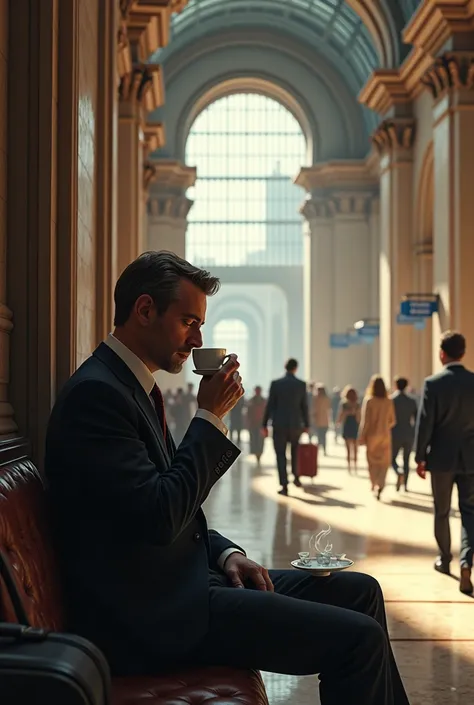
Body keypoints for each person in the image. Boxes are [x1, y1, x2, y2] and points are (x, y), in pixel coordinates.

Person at [45, 251, 409, 705]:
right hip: (155, 616)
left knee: (361, 591)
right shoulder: (98, 395)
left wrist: (226, 554)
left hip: (186, 584)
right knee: (359, 638)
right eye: (189, 322)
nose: (198, 338)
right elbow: (161, 514)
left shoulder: (129, 387)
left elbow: (167, 501)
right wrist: (210, 417)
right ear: (144, 311)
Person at [415, 331, 474, 595]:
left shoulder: (433, 383)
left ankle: (444, 559)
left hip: (440, 458)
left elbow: (425, 423)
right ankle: (466, 563)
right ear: (462, 353)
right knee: (470, 512)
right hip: (471, 458)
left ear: (442, 354)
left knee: (441, 511)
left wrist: (419, 457)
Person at [262, 359, 309, 496]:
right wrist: (306, 424)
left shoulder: (276, 384)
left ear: (285, 367)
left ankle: (284, 485)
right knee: (295, 451)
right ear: (296, 368)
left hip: (279, 425)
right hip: (295, 425)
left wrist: (264, 424)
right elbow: (304, 406)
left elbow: (270, 406)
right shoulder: (301, 385)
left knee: (280, 455)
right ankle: (296, 476)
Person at [359, 375, 396, 501]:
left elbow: (366, 421)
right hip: (385, 435)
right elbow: (393, 420)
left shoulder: (369, 400)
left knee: (372, 461)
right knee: (384, 462)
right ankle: (381, 483)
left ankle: (374, 483)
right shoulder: (389, 401)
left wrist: (362, 436)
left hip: (372, 435)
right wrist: (385, 426)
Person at [390, 377, 418, 492]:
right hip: (408, 432)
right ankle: (405, 485)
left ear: (396, 385)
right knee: (406, 460)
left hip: (395, 432)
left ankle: (398, 472)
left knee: (392, 458)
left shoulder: (391, 400)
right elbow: (416, 419)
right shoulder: (411, 401)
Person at [338, 386, 361, 473]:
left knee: (348, 449)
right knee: (355, 448)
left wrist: (338, 422)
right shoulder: (357, 404)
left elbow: (341, 415)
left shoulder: (344, 404)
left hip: (347, 426)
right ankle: (355, 466)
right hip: (355, 426)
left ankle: (349, 467)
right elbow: (359, 418)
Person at [246, 385, 266, 463]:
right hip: (253, 423)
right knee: (254, 439)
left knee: (260, 440)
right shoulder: (251, 401)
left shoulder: (264, 401)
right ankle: (256, 453)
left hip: (261, 424)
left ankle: (259, 454)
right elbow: (248, 413)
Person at [311, 384, 331, 455]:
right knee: (323, 436)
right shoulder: (327, 399)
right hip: (325, 420)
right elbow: (328, 408)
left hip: (318, 420)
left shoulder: (316, 399)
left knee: (319, 436)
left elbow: (314, 409)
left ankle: (319, 449)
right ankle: (324, 449)